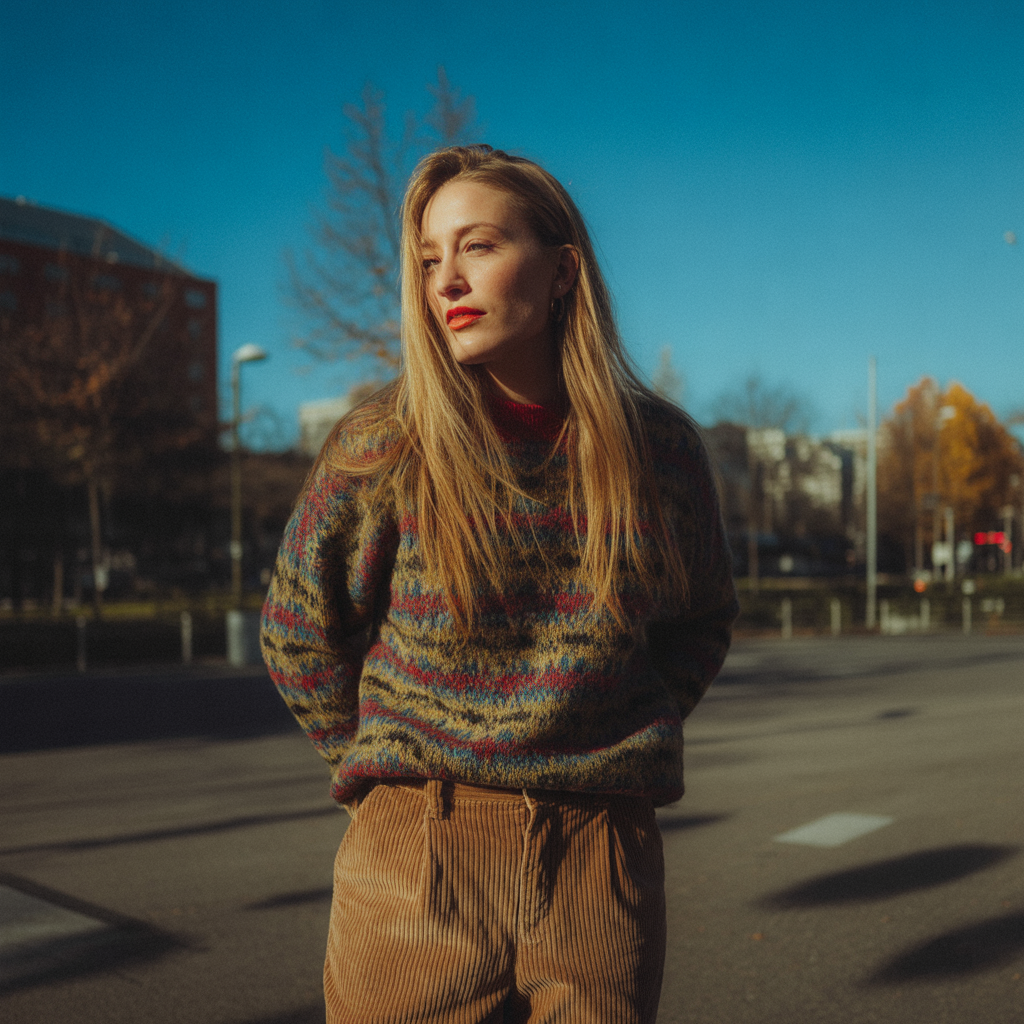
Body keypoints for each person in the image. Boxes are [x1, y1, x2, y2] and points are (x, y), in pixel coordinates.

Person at [260, 144, 738, 1024]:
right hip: (418, 846)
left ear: (563, 272)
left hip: (602, 849)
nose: (447, 280)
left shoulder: (659, 449)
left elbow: (701, 616)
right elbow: (299, 630)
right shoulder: (384, 444)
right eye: (430, 258)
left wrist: (623, 715)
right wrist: (382, 769)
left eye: (477, 246)